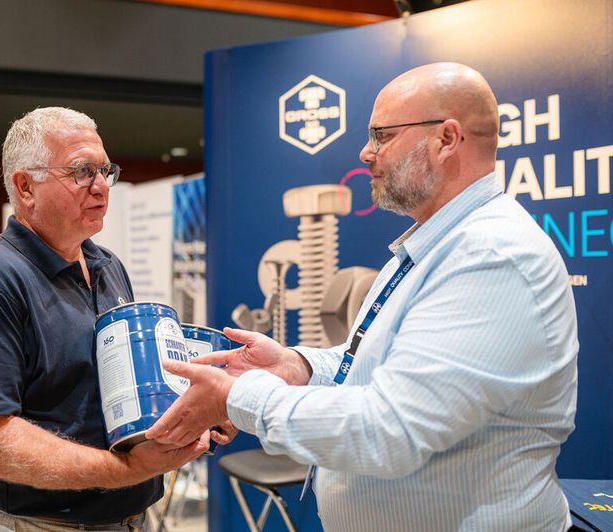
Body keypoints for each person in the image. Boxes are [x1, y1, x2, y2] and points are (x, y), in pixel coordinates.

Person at [146, 63, 579, 531]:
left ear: (447, 139)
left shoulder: (488, 256)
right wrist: (298, 367)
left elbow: (389, 430)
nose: (366, 152)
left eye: (383, 135)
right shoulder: (435, 244)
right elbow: (376, 368)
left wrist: (236, 396)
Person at [0, 107, 212, 532]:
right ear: (25, 186)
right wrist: (124, 471)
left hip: (131, 518)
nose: (102, 186)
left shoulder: (106, 265)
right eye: (82, 172)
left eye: (105, 170)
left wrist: (190, 418)